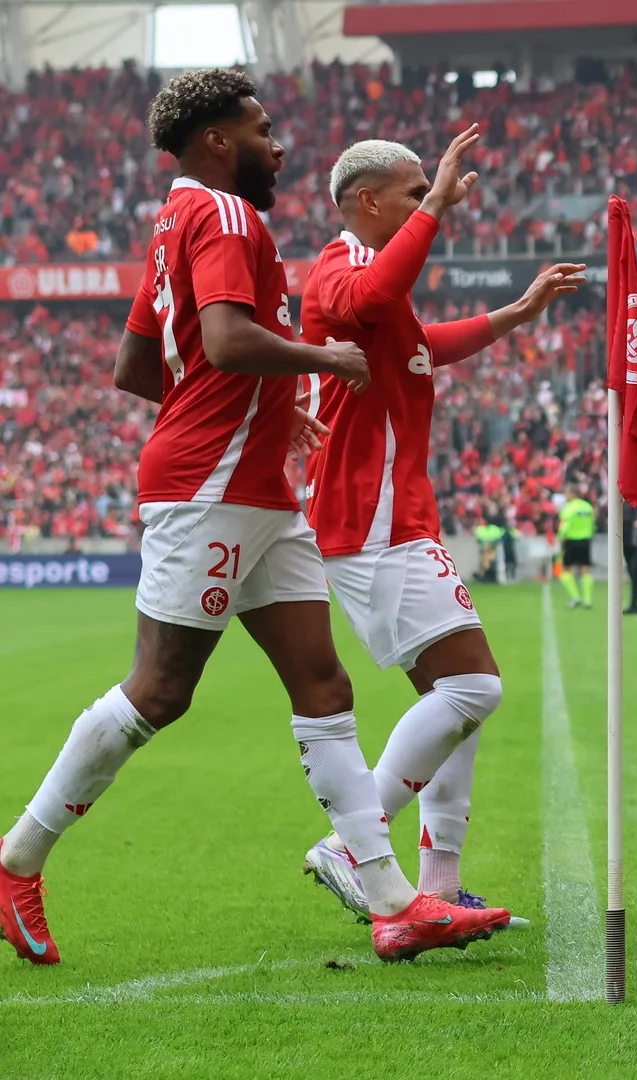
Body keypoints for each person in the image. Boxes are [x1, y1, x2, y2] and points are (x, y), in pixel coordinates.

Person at [0, 69, 505, 967]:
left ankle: (395, 901)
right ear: (219, 140)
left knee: (325, 688)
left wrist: (270, 410)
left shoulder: (172, 221)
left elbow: (135, 366)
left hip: (256, 485)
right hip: (215, 487)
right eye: (263, 130)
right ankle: (17, 859)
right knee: (160, 688)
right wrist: (320, 361)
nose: (280, 147)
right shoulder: (229, 217)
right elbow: (229, 341)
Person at [295, 130, 585, 922]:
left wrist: (516, 313)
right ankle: (354, 842)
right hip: (373, 517)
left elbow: (421, 347)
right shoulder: (342, 264)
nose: (439, 194)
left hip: (390, 516)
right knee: (474, 686)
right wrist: (434, 209)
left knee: (452, 695)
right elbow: (371, 303)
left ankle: (441, 886)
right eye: (416, 187)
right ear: (369, 201)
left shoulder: (375, 277)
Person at [557, 485, 597, 609]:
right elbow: (592, 524)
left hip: (571, 541)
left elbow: (564, 527)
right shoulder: (587, 507)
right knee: (585, 570)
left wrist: (560, 540)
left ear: (571, 494)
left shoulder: (568, 508)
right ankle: (588, 600)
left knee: (565, 570)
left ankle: (576, 597)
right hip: (585, 541)